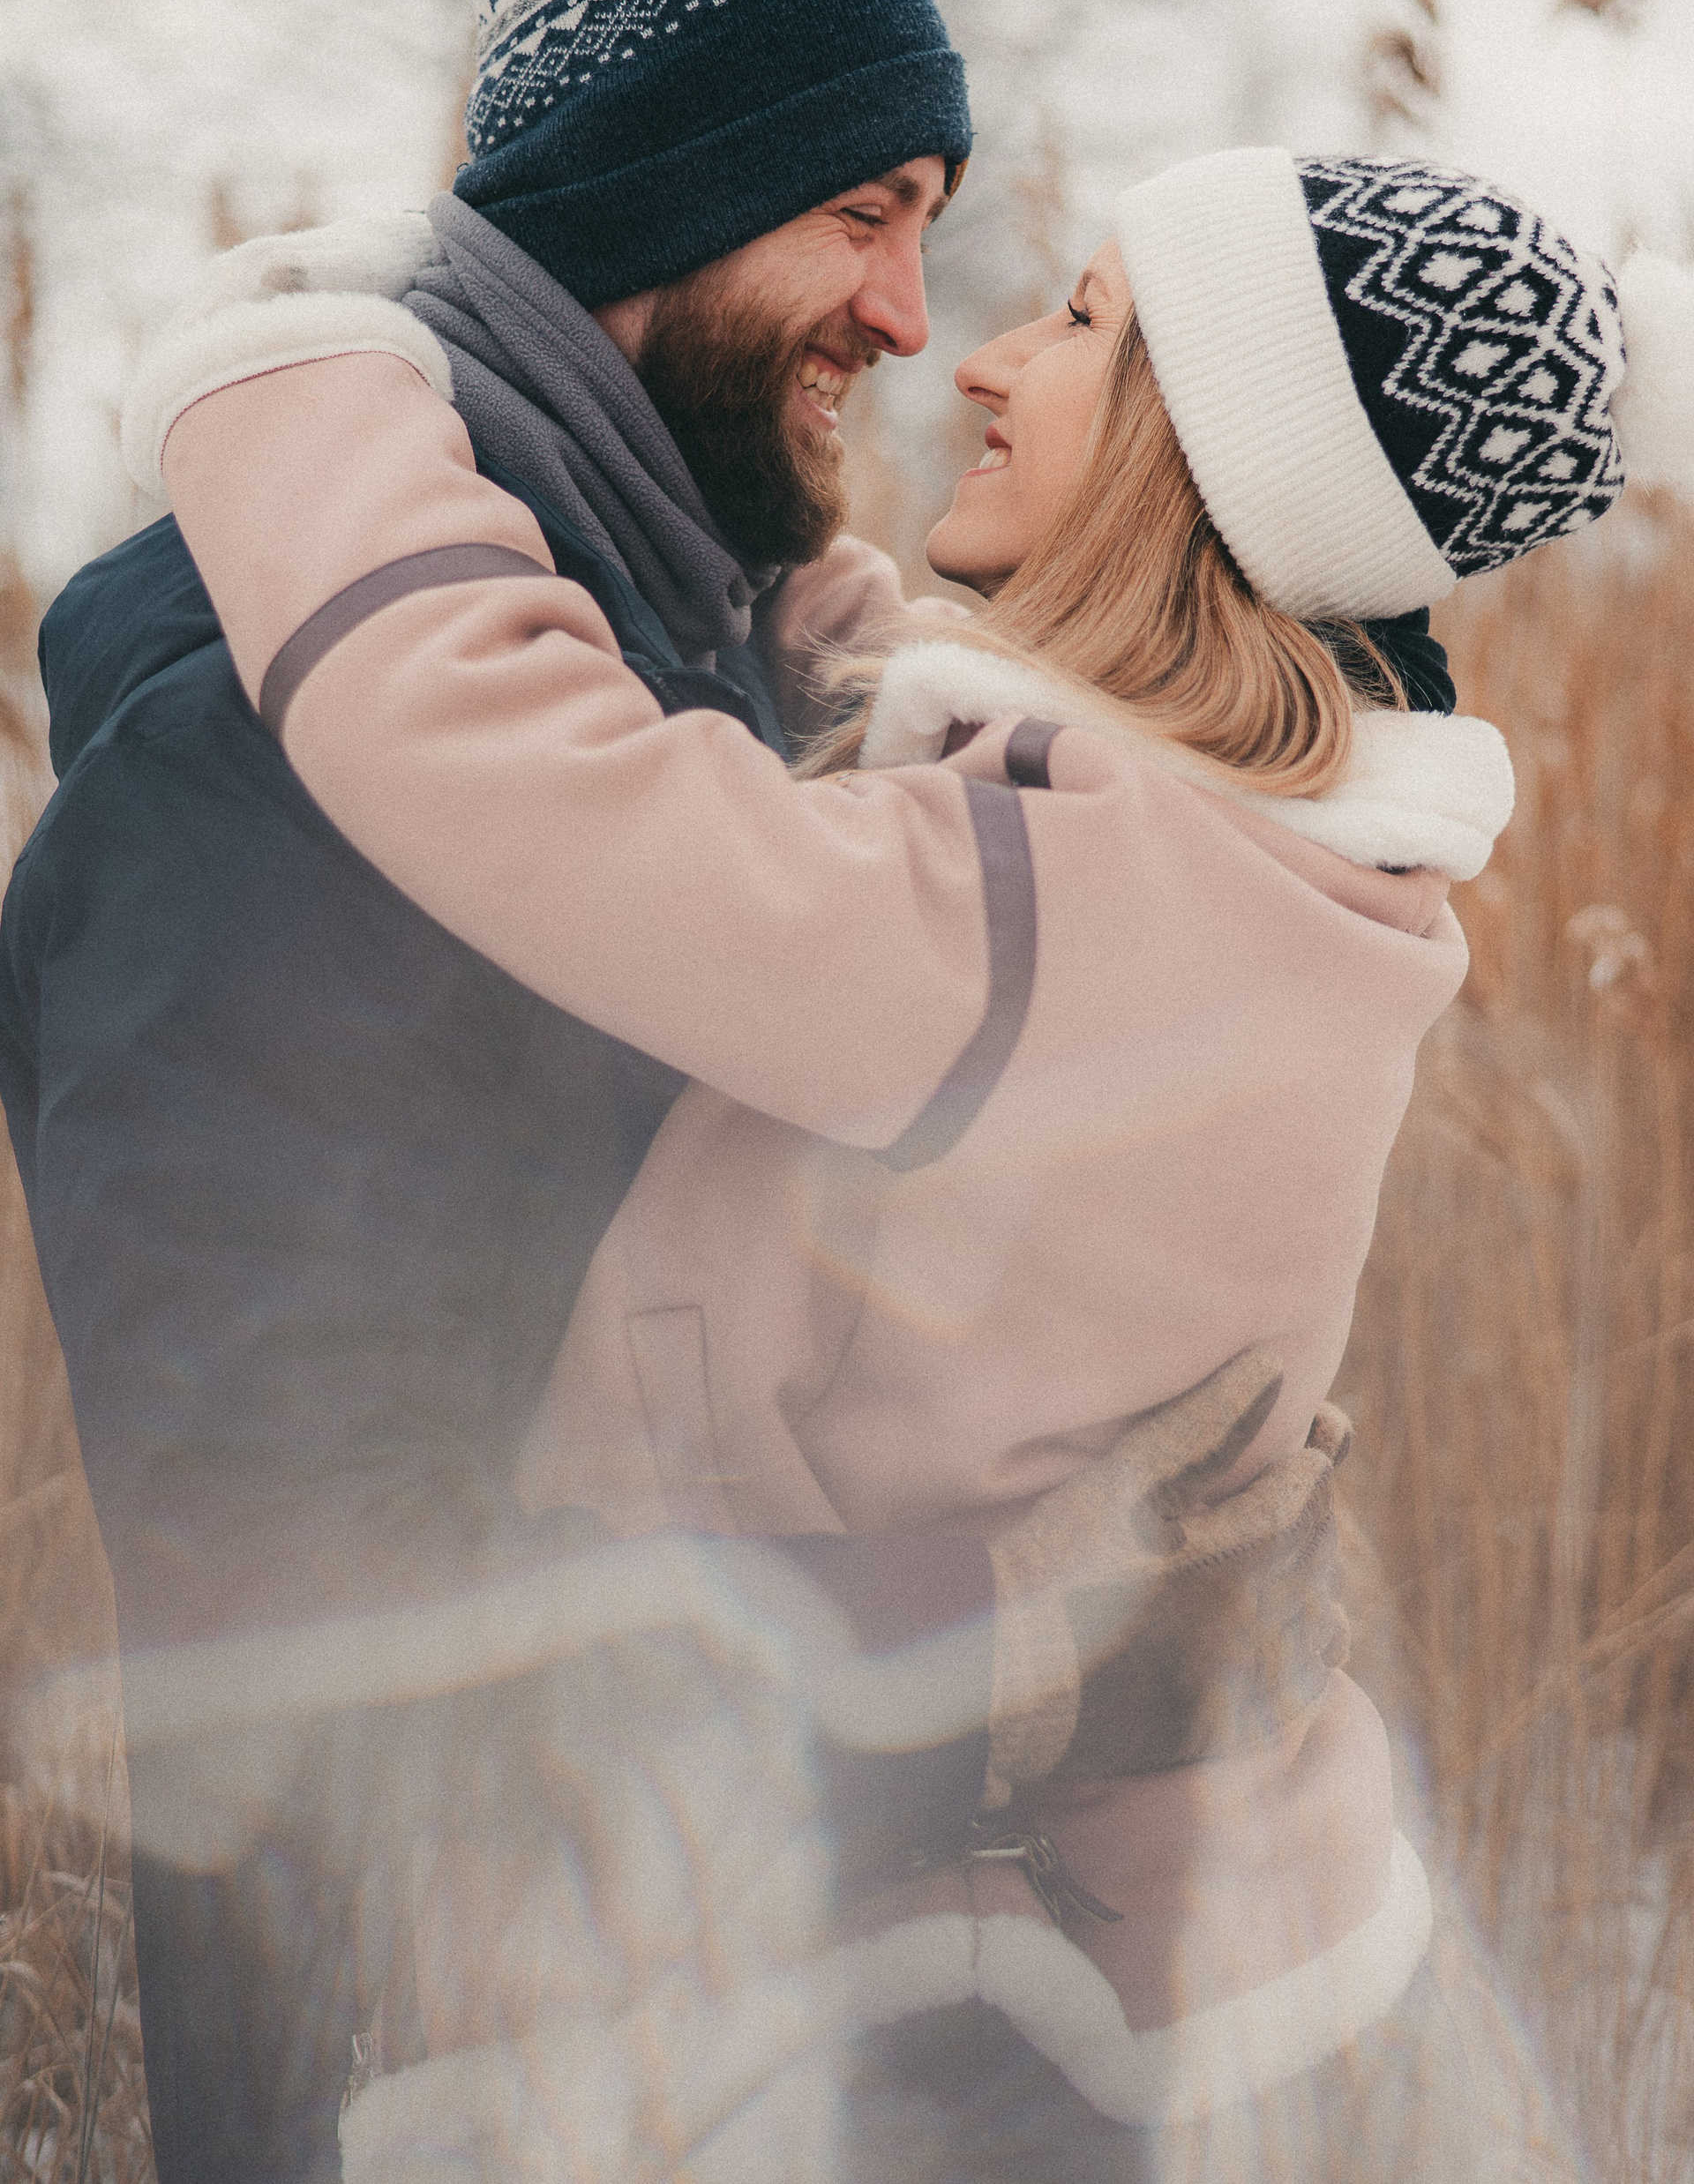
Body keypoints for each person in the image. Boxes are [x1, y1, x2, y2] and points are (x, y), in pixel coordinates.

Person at [0, 0, 1345, 2184]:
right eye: (864, 213)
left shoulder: (669, 693)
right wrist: (1029, 1623)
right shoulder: (260, 768)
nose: (914, 318)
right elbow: (320, 1636)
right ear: (665, 205)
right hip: (456, 2080)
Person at [150, 137, 1688, 2176]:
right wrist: (776, 548)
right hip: (1178, 1932)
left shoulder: (1044, 920)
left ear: (1200, 463)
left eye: (1085, 322)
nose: (984, 356)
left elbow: (501, 764)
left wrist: (301, 369)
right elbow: (981, 791)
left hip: (947, 2008)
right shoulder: (1287, 874)